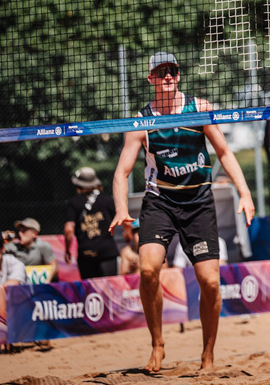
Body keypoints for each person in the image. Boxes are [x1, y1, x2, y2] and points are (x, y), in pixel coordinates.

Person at [109, 51, 255, 373]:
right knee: (147, 270)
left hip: (198, 202)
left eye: (172, 71)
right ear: (151, 78)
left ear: (179, 74)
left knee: (210, 283)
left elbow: (224, 151)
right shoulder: (141, 121)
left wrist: (244, 193)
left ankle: (207, 353)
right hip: (160, 202)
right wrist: (121, 208)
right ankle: (158, 343)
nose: (168, 77)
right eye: (161, 72)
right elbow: (121, 173)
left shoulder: (199, 109)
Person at [64, 166, 118, 279]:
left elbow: (69, 229)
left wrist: (68, 250)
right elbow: (123, 221)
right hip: (107, 251)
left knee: (91, 290)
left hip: (86, 253)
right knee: (110, 287)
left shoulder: (73, 203)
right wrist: (127, 235)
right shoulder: (107, 200)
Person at [5, 217, 57, 281]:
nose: (19, 233)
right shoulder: (12, 247)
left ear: (34, 233)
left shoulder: (43, 246)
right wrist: (3, 240)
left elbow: (54, 267)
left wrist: (46, 281)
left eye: (23, 231)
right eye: (19, 231)